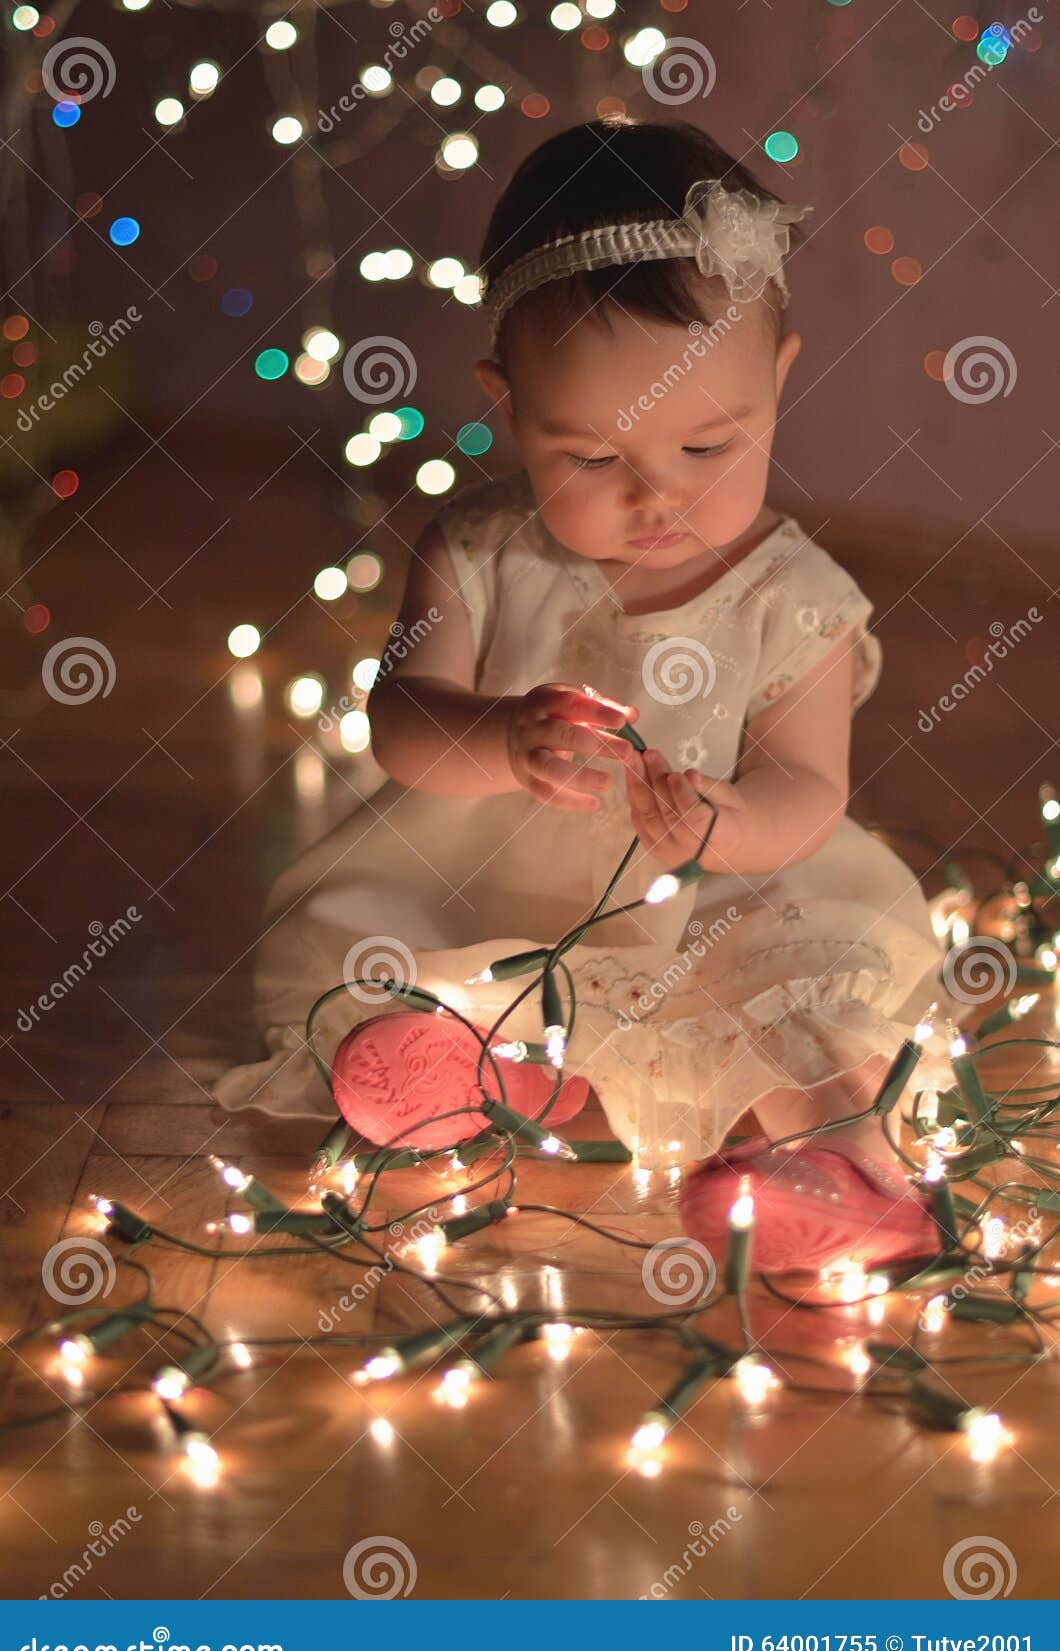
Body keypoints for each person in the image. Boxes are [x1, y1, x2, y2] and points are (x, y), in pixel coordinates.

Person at [213, 118, 954, 1272]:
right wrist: (498, 739)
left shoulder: (794, 599)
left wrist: (729, 820)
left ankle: (847, 1164)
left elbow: (808, 785)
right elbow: (403, 717)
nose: (656, 499)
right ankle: (474, 1073)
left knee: (790, 985)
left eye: (709, 450)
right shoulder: (477, 554)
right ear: (506, 405)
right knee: (387, 955)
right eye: (594, 461)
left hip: (706, 901)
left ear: (779, 379)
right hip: (489, 891)